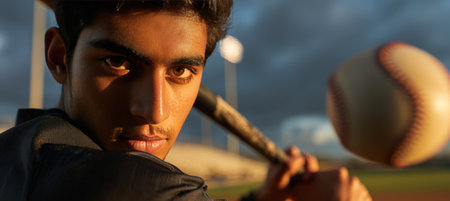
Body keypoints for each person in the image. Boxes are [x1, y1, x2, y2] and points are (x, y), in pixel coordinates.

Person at [0, 0, 372, 200]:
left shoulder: (22, 154)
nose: (153, 110)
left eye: (180, 71)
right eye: (118, 63)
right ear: (58, 57)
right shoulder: (144, 185)